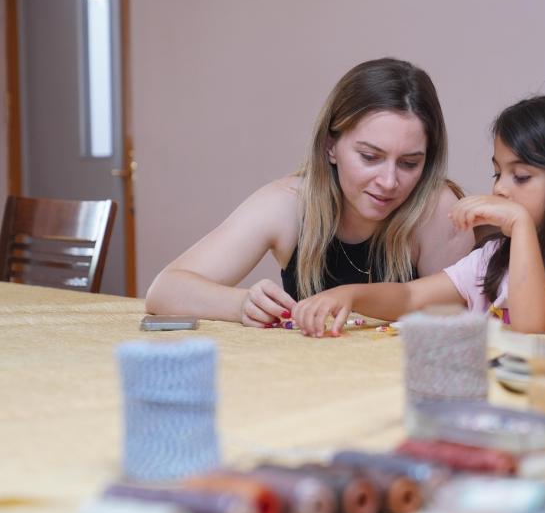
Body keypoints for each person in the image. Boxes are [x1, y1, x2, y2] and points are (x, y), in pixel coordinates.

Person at [144, 58, 475, 326]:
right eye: (370, 157)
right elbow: (164, 290)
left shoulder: (439, 210)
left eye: (409, 163)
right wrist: (242, 304)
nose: (389, 181)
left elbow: (458, 329)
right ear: (331, 146)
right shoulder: (288, 204)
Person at [292, 90, 545, 337]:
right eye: (497, 173)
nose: (501, 188)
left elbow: (535, 325)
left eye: (520, 176)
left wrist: (519, 225)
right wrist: (350, 294)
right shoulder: (494, 258)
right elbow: (412, 297)